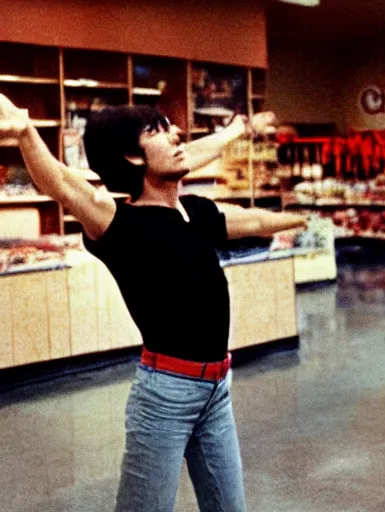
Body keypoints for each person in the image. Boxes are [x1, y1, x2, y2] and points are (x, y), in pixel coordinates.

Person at [0, 93, 308, 511]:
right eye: (158, 131)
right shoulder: (119, 223)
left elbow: (251, 218)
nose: (177, 135)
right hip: (166, 394)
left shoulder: (195, 212)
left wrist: (306, 214)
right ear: (131, 156)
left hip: (217, 387)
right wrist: (26, 132)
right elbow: (60, 183)